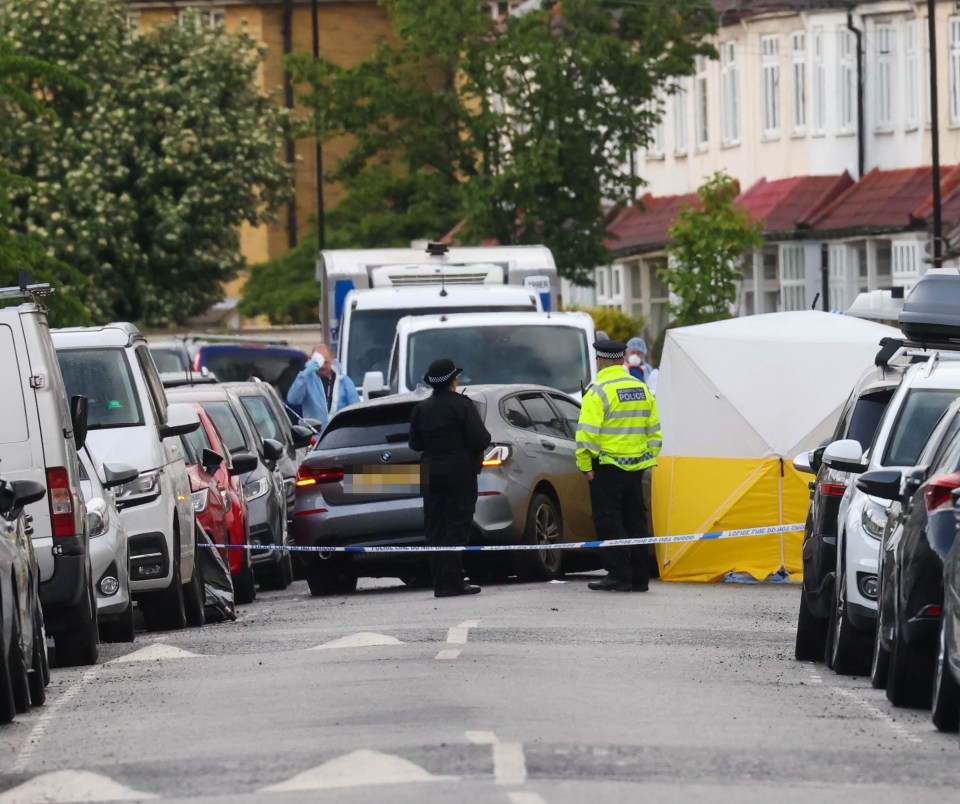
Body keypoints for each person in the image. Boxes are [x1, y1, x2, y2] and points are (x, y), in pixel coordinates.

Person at [577, 339, 662, 592]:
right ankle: (640, 578)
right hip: (636, 467)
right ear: (621, 359)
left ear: (600, 360)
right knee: (636, 520)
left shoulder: (598, 390)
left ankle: (618, 574)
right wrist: (646, 459)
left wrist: (585, 465)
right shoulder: (640, 388)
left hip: (606, 466)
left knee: (608, 520)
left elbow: (587, 434)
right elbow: (654, 431)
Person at [408, 358, 491, 598]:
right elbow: (480, 439)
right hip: (459, 474)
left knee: (434, 528)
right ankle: (455, 580)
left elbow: (415, 444)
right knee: (457, 525)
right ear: (453, 381)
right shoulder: (462, 406)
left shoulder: (420, 409)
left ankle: (439, 582)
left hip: (430, 472)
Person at [286, 343, 360, 429]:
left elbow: (356, 408)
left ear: (332, 359)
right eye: (319, 363)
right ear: (311, 361)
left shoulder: (344, 381)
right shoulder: (307, 381)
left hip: (339, 433)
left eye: (326, 362)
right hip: (315, 436)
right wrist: (304, 375)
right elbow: (293, 399)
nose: (323, 366)